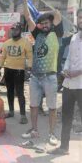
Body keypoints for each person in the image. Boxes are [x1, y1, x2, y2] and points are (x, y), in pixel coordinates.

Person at [20, 0, 63, 146]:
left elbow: (57, 14)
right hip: (35, 76)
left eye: (47, 23)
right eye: (42, 23)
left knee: (52, 107)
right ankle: (34, 129)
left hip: (50, 76)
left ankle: (52, 134)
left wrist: (47, 13)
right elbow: (27, 17)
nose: (45, 25)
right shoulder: (37, 32)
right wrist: (25, 2)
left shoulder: (56, 32)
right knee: (33, 105)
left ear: (51, 24)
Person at [48, 9, 82, 155]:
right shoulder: (74, 38)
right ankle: (64, 147)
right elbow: (68, 58)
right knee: (66, 117)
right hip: (69, 84)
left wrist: (79, 72)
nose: (81, 20)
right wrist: (65, 70)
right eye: (80, 17)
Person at [0, 22, 33, 124]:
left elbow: (30, 57)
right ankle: (11, 111)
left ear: (20, 30)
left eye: (16, 30)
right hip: (8, 70)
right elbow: (3, 57)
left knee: (20, 93)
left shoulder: (26, 43)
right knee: (9, 92)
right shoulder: (7, 43)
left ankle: (23, 115)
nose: (14, 31)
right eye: (12, 29)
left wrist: (29, 69)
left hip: (19, 71)